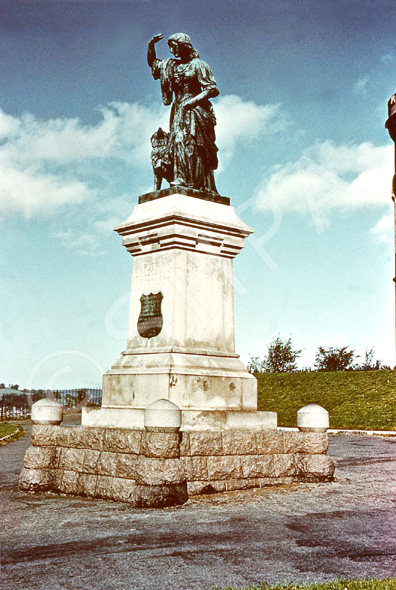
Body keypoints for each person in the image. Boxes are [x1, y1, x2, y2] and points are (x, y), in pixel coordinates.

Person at [147, 33, 220, 194]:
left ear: (183, 46)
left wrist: (193, 102)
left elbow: (211, 89)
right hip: (179, 109)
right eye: (170, 48)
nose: (172, 51)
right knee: (178, 141)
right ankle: (181, 178)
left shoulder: (198, 65)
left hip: (195, 110)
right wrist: (151, 45)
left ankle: (190, 181)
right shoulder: (171, 65)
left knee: (191, 144)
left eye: (174, 47)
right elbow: (153, 63)